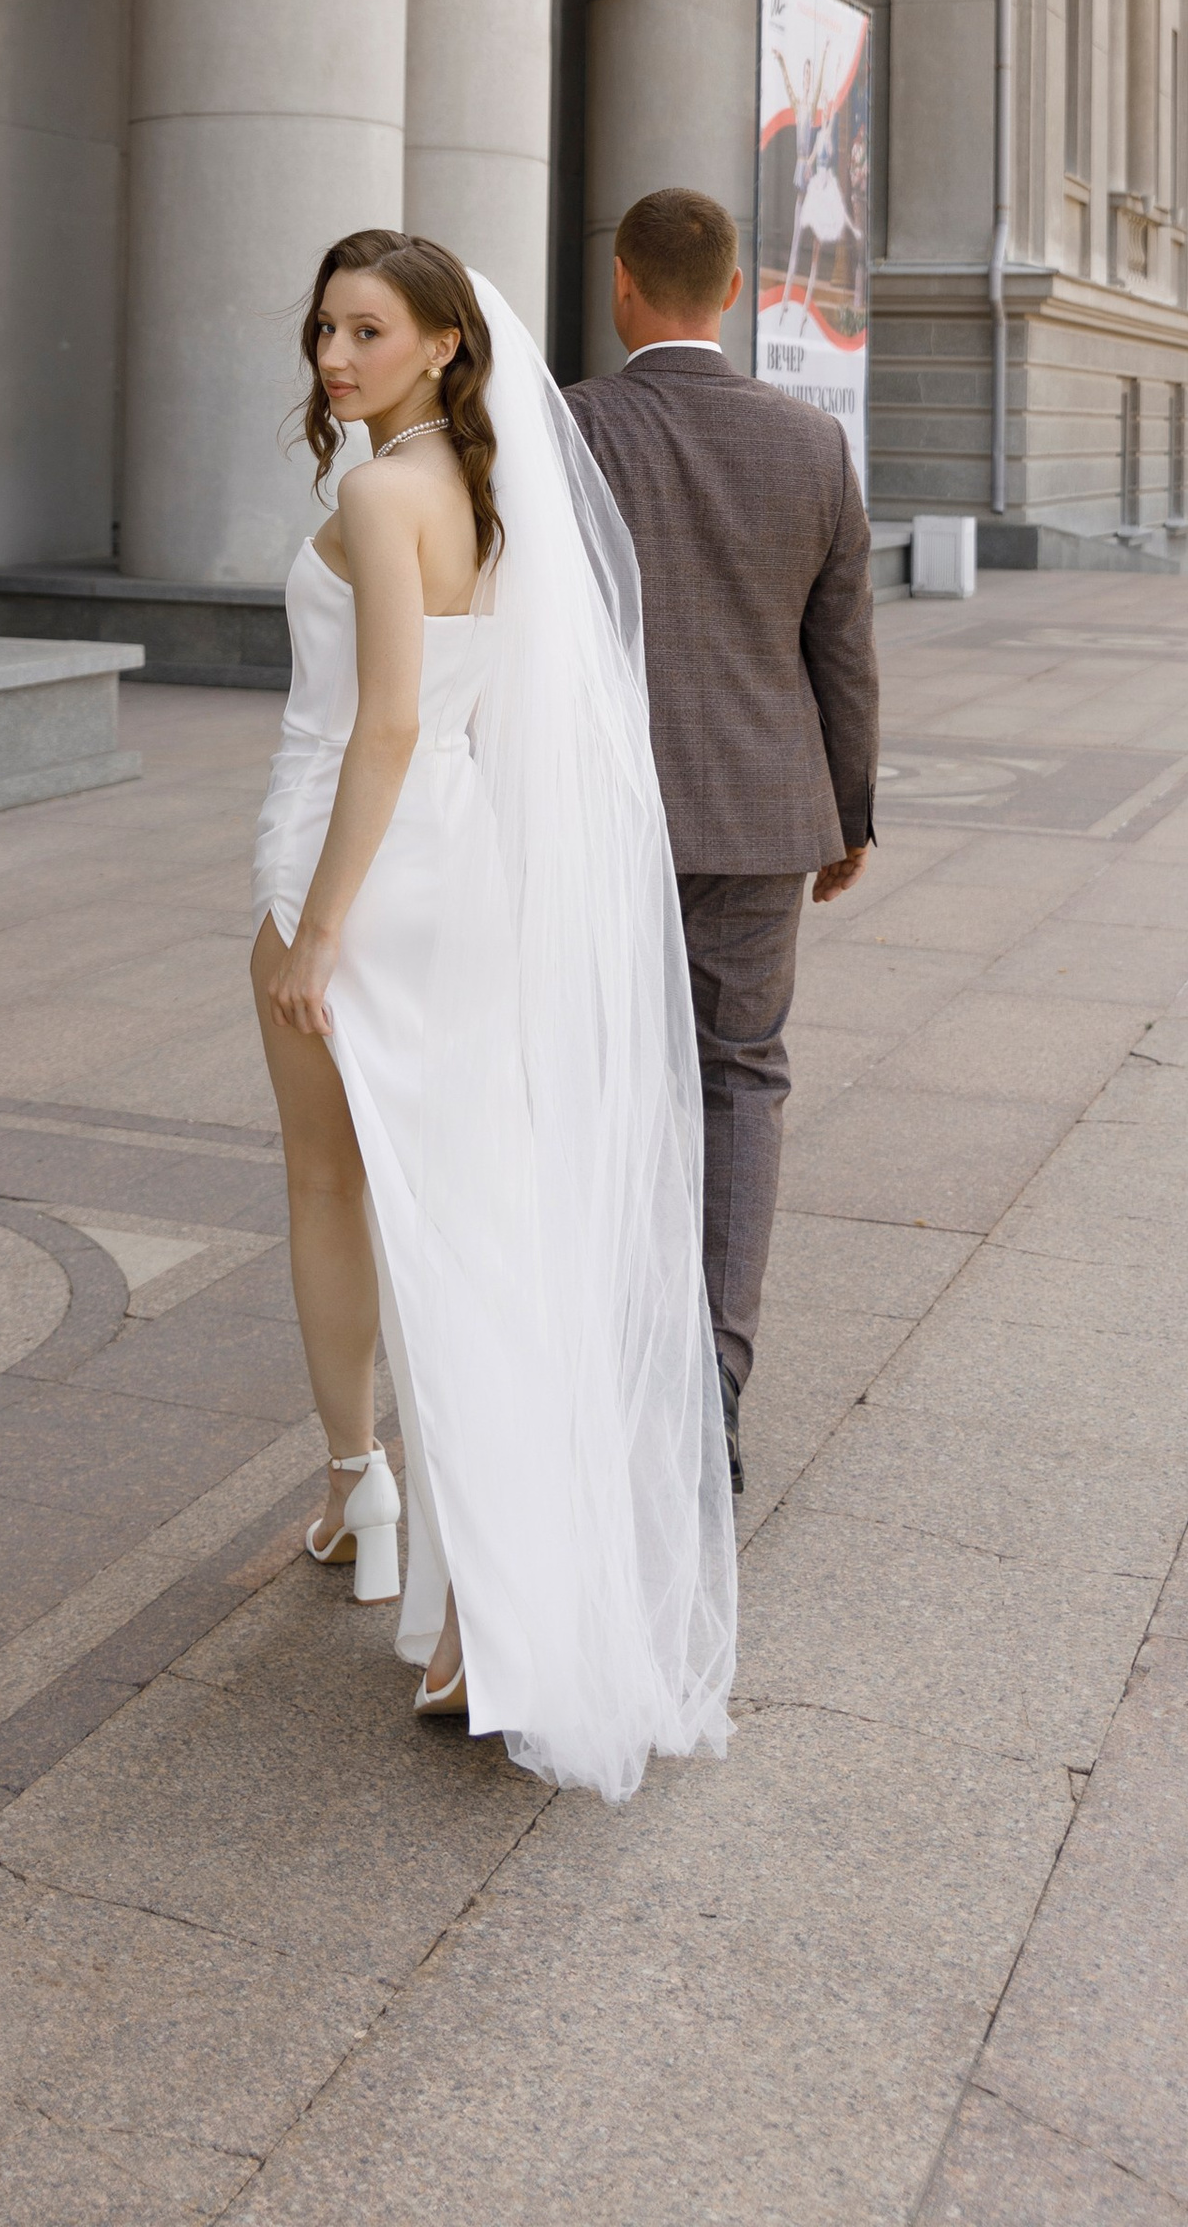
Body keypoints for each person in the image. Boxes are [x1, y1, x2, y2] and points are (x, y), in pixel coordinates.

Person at [249, 229, 736, 1804]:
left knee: (337, 1193)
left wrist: (317, 930)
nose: (337, 358)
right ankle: (469, 1590)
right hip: (454, 867)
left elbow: (384, 717)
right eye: (326, 329)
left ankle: (360, 1491)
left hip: (353, 862)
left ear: (448, 346)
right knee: (467, 1217)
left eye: (370, 332)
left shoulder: (381, 493)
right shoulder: (482, 495)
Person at [567, 187, 877, 1496]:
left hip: (604, 822)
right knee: (738, 1083)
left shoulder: (569, 430)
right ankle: (714, 1395)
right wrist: (848, 811)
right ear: (736, 290)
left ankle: (615, 1365)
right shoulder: (812, 444)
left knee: (608, 1087)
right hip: (761, 820)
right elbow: (841, 653)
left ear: (623, 285)